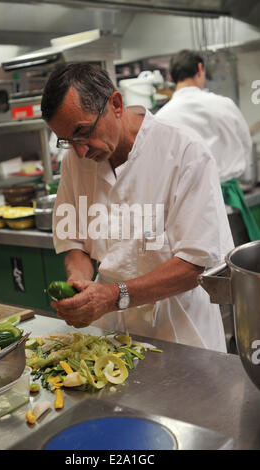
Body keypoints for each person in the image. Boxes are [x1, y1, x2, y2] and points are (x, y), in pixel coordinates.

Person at [41, 63, 234, 353]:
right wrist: (80, 286)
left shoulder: (184, 152)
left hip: (181, 335)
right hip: (112, 336)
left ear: (116, 104)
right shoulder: (76, 161)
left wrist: (111, 296)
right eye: (68, 141)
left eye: (83, 132)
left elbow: (194, 265)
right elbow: (75, 242)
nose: (80, 150)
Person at [156, 50, 260, 242]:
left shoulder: (161, 119)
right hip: (230, 207)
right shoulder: (224, 105)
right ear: (200, 69)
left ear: (171, 76)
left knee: (206, 270)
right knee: (239, 266)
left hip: (189, 215)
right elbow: (246, 144)